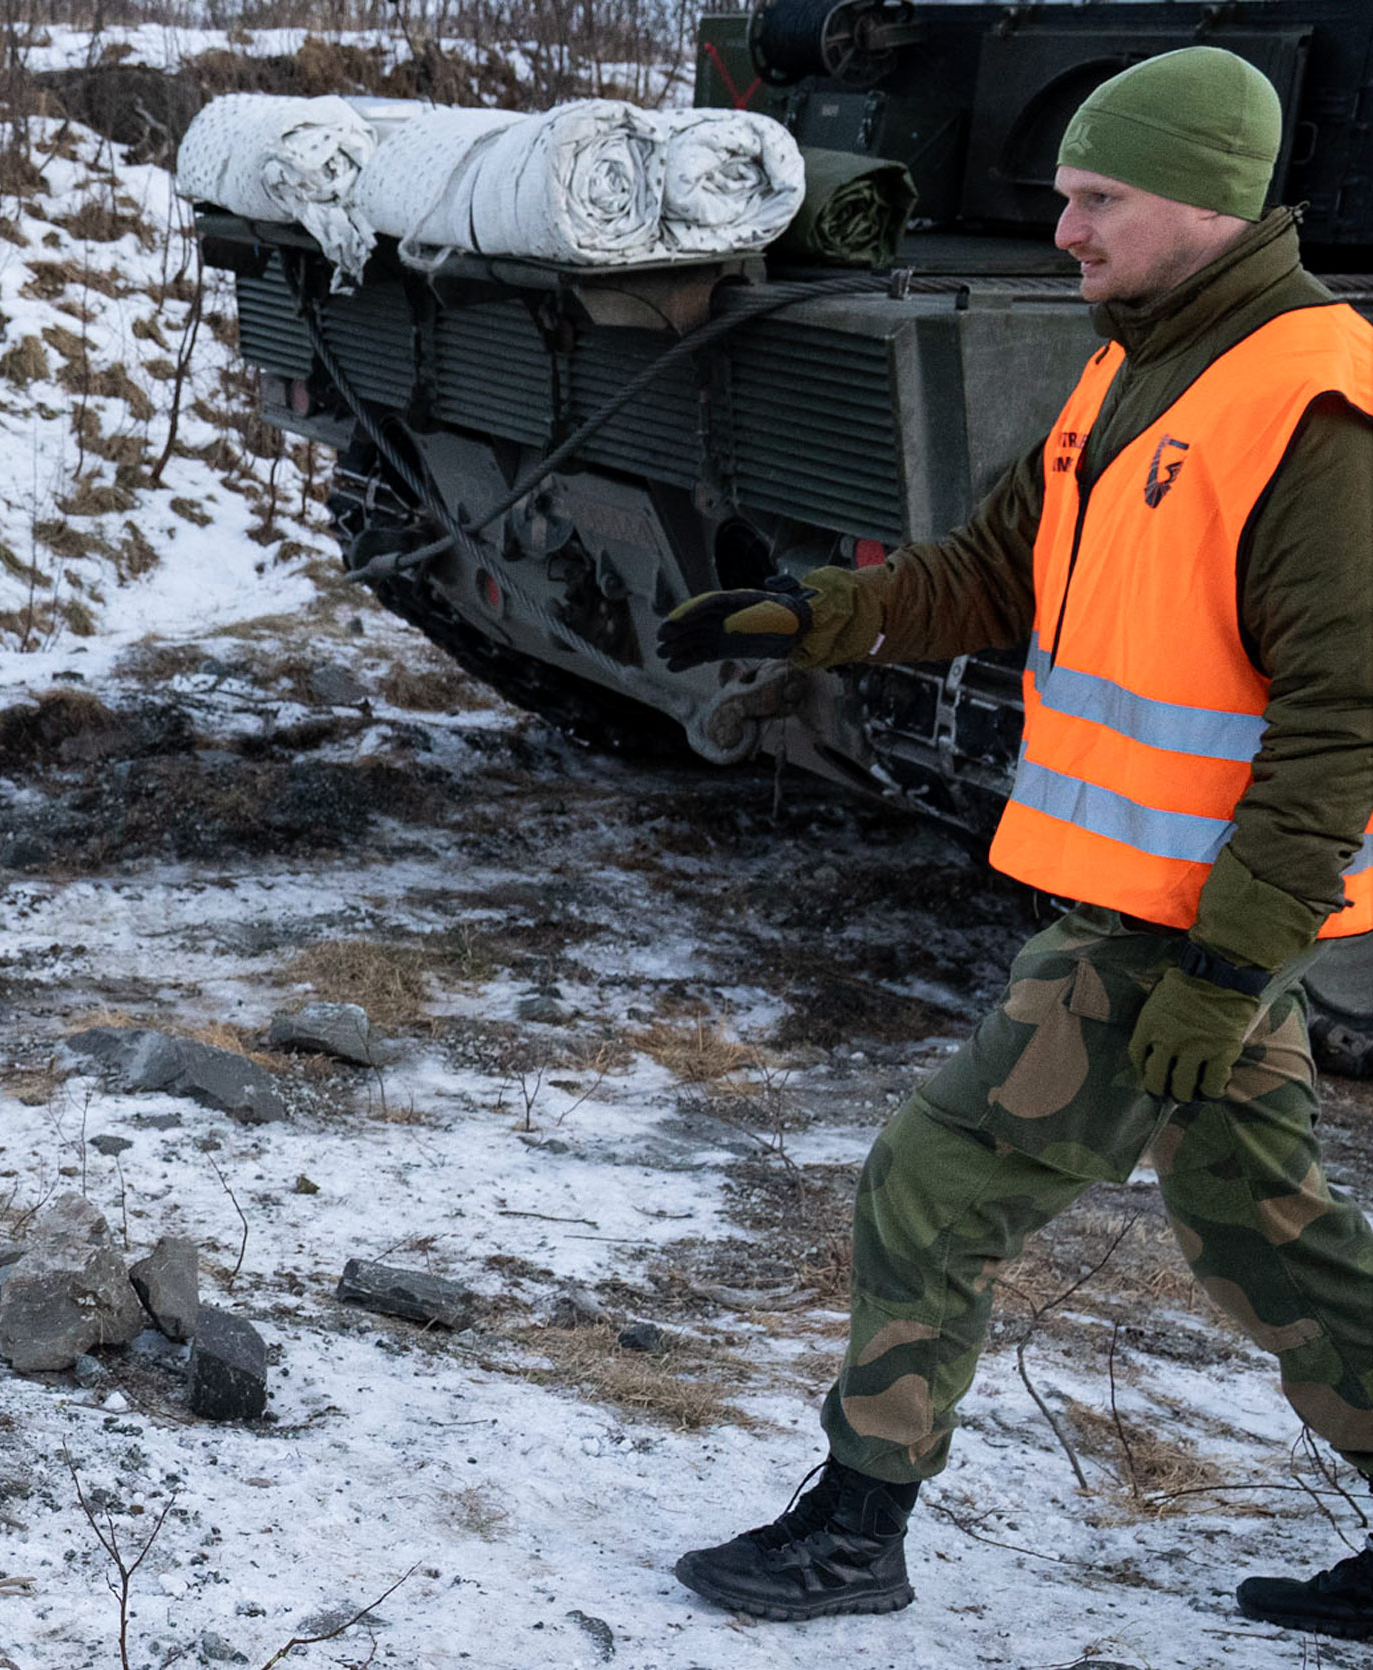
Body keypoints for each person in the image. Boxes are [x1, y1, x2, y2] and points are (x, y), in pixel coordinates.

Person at [657, 48, 1373, 1634]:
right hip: (1163, 906)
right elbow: (995, 569)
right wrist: (813, 615)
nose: (1064, 229)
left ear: (1204, 200)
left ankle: (854, 1533)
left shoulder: (1311, 404)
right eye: (1062, 195)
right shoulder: (1137, 360)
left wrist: (1228, 963)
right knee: (1269, 1235)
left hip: (1180, 921)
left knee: (934, 1176)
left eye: (1098, 199)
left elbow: (1343, 721)